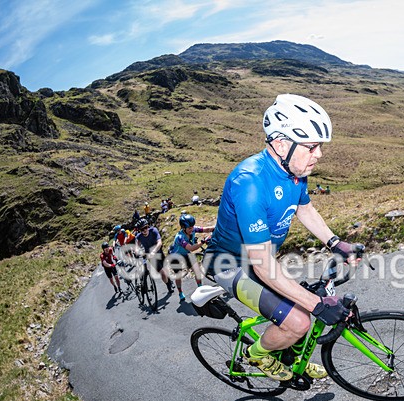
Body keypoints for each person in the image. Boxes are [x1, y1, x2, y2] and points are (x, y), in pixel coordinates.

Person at [204, 94, 359, 382]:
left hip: (260, 258)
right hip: (229, 265)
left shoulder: (294, 171)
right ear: (281, 143)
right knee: (299, 320)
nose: (319, 155)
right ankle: (257, 355)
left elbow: (305, 209)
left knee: (303, 304)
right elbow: (262, 266)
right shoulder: (249, 182)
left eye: (320, 147)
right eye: (312, 147)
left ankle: (291, 356)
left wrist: (335, 243)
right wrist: (315, 306)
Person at [167, 213, 214, 302]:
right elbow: (191, 248)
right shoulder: (180, 237)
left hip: (185, 253)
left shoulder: (192, 229)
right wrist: (203, 241)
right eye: (189, 228)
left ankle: (200, 289)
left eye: (192, 227)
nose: (191, 229)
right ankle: (180, 292)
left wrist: (218, 226)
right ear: (183, 228)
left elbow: (206, 229)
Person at [134, 218, 175, 294]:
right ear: (140, 230)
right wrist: (136, 252)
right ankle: (168, 284)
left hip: (159, 252)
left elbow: (159, 243)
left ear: (148, 226)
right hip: (150, 257)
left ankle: (169, 280)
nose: (144, 230)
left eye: (146, 227)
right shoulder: (139, 236)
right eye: (142, 229)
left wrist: (154, 251)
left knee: (166, 269)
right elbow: (137, 246)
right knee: (162, 273)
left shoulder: (154, 231)